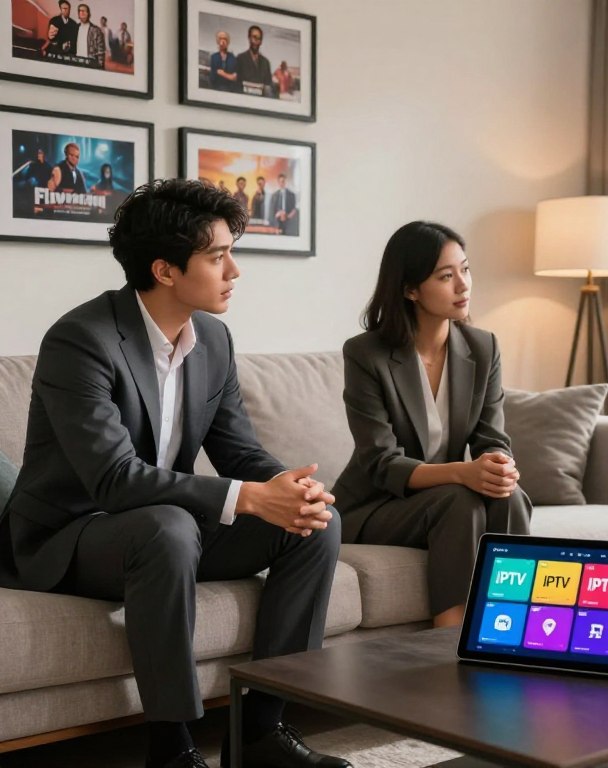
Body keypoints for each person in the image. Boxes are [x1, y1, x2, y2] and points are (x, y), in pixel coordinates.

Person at [0, 179, 351, 768]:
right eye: (217, 257)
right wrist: (248, 498)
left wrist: (290, 490)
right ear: (165, 270)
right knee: (167, 527)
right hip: (72, 536)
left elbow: (240, 452)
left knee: (314, 523)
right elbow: (113, 478)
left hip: (165, 532)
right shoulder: (80, 341)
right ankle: (172, 748)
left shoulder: (211, 338)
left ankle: (262, 730)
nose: (234, 271)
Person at [332, 221, 532, 628]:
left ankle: (513, 625)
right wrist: (463, 473)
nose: (463, 285)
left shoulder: (483, 346)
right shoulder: (366, 354)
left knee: (510, 497)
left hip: (439, 501)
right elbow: (380, 461)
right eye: (446, 276)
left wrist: (497, 466)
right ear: (410, 289)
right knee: (458, 500)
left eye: (466, 269)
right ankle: (450, 638)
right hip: (373, 505)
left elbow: (492, 437)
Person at [235, 25, 273, 97]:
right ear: (249, 38)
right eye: (254, 37)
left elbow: (268, 87)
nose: (256, 41)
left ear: (261, 42)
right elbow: (236, 86)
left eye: (259, 38)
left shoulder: (266, 62)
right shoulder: (240, 59)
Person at [76, 3, 105, 68]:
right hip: (76, 62)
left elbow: (101, 52)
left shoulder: (96, 30)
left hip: (90, 64)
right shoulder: (75, 28)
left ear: (89, 14)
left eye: (84, 11)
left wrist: (100, 67)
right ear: (78, 14)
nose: (82, 12)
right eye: (80, 11)